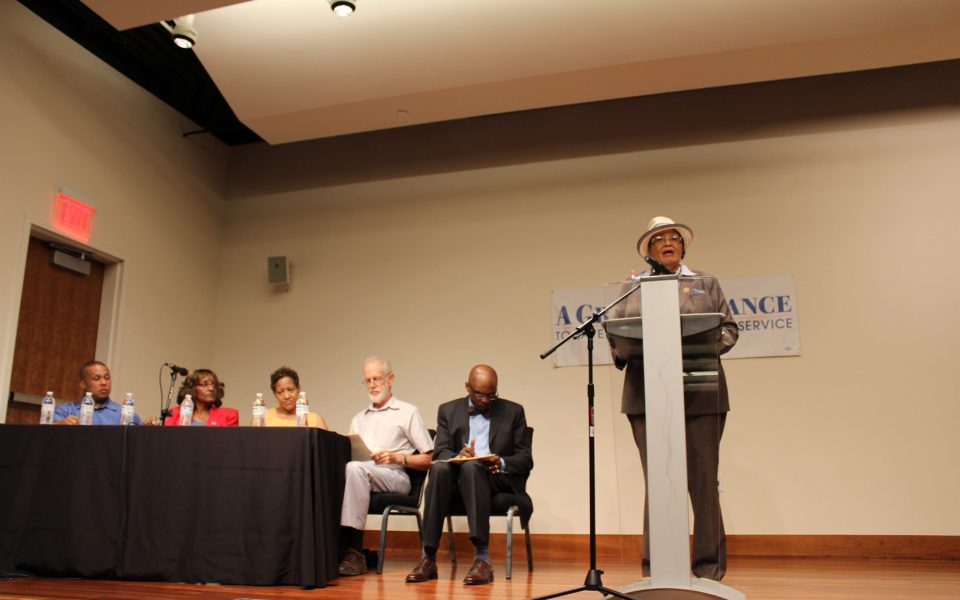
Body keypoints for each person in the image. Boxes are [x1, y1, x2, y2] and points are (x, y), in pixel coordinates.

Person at [609, 216, 738, 581]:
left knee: (703, 481)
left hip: (701, 391)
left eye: (674, 238)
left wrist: (702, 350)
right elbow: (616, 333)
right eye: (659, 239)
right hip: (646, 394)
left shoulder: (704, 283)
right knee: (659, 482)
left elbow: (728, 329)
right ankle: (657, 569)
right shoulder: (632, 287)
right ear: (648, 251)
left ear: (683, 247)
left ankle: (708, 570)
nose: (668, 243)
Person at [405, 364, 532, 586]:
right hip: (457, 478)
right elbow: (440, 452)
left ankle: (482, 558)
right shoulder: (448, 410)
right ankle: (428, 558)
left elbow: (525, 459)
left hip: (494, 478)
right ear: (467, 387)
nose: (485, 400)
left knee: (472, 468)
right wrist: (458, 455)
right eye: (480, 394)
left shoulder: (514, 412)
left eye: (491, 395)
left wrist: (501, 461)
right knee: (440, 468)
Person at [338, 356, 434, 577]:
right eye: (368, 380)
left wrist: (396, 458)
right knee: (344, 470)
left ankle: (354, 550)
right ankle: (336, 549)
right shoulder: (358, 419)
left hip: (395, 476)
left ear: (391, 379)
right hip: (362, 475)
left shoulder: (407, 412)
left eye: (377, 379)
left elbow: (429, 459)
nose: (372, 385)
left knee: (354, 469)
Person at [53, 360, 143, 425]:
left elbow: (141, 436)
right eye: (96, 378)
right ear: (83, 384)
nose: (104, 383)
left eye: (107, 378)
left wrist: (148, 424)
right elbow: (48, 429)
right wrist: (61, 423)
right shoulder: (67, 410)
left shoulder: (124, 413)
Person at [164, 368, 239, 426]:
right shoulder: (174, 413)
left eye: (214, 385)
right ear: (192, 388)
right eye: (205, 384)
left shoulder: (229, 415)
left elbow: (231, 440)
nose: (211, 389)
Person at [263, 366, 328, 428]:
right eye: (280, 392)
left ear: (298, 388)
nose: (286, 396)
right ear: (275, 394)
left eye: (290, 390)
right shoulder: (264, 418)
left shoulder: (315, 420)